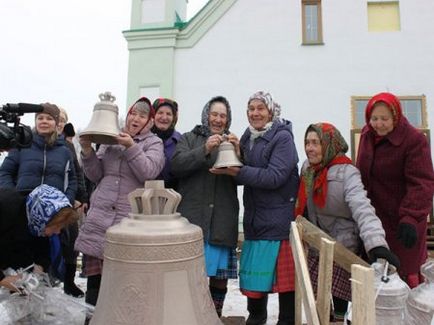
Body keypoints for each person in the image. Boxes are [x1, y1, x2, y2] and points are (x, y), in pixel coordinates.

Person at [295, 122, 400, 320]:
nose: (309, 148)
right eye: (307, 142)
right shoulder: (308, 169)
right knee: (318, 302)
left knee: (340, 299)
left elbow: (362, 208)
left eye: (316, 143)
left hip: (344, 246)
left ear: (329, 144)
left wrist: (376, 244)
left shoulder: (347, 172)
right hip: (317, 244)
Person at [211, 91, 299, 325]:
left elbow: (275, 177)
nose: (255, 113)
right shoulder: (249, 137)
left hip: (279, 225)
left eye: (260, 108)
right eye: (251, 109)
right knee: (255, 294)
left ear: (271, 111)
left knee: (285, 293)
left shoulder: (282, 138)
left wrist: (238, 171)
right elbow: (245, 174)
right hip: (255, 222)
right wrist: (235, 156)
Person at [74, 97, 164, 309]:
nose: (136, 118)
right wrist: (87, 151)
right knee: (95, 281)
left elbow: (149, 172)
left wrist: (131, 146)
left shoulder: (154, 143)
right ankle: (92, 319)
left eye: (142, 115)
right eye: (133, 113)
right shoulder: (110, 138)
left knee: (122, 280)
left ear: (149, 122)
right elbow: (96, 175)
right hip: (100, 216)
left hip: (127, 220)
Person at [356, 92, 434, 288]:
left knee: (402, 273)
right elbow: (361, 175)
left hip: (403, 222)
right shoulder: (367, 135)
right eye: (374, 118)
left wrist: (410, 217)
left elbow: (422, 183)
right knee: (376, 273)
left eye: (384, 119)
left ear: (396, 117)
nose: (378, 124)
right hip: (375, 219)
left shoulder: (414, 140)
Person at [171, 96, 239, 318]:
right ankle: (190, 317)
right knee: (191, 276)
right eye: (214, 114)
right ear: (206, 115)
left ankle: (213, 317)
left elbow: (243, 176)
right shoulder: (188, 138)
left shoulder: (232, 142)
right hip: (193, 220)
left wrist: (240, 153)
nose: (218, 120)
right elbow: (177, 166)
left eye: (223, 116)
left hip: (221, 219)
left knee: (219, 278)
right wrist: (204, 150)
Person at [0, 185, 78, 292]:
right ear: (41, 218)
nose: (58, 232)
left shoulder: (38, 225)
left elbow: (42, 252)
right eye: (55, 227)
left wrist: (37, 271)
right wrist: (3, 279)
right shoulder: (5, 210)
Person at [0, 102, 77, 203]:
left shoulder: (65, 152)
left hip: (53, 211)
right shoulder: (21, 145)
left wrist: (66, 201)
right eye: (40, 118)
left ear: (56, 123)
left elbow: (72, 180)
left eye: (49, 118)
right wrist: (12, 196)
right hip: (20, 208)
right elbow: (5, 172)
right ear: (35, 121)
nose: (44, 121)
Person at [57, 109, 87, 297]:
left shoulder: (67, 146)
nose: (58, 123)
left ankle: (69, 282)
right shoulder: (32, 142)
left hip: (66, 200)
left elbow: (77, 173)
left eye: (61, 120)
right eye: (55, 119)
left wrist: (82, 197)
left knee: (72, 241)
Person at [151, 98, 181, 189]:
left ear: (174, 118)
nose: (164, 117)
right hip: (146, 195)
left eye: (169, 114)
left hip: (174, 196)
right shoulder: (144, 138)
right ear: (153, 115)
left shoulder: (181, 141)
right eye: (160, 113)